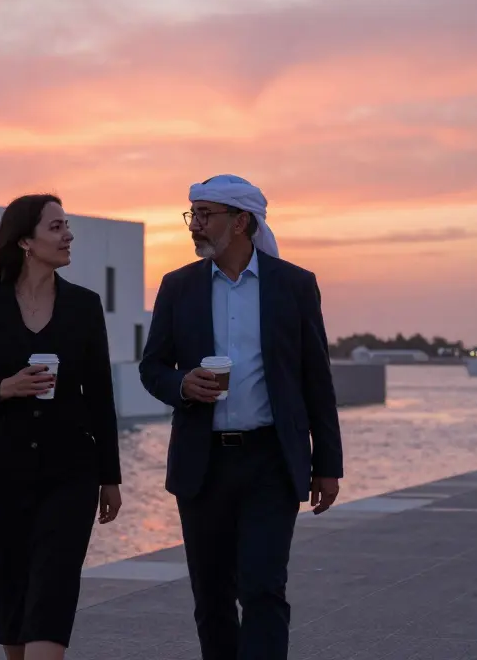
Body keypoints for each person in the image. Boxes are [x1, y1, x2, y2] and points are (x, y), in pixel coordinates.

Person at [139, 174, 344, 660]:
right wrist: (181, 384)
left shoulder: (294, 286)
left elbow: (316, 379)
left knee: (262, 588)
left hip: (271, 462)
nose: (195, 226)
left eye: (205, 215)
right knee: (211, 598)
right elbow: (151, 368)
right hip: (202, 464)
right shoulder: (177, 287)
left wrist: (327, 464)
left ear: (242, 222)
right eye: (193, 214)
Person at [0, 194, 123, 660]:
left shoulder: (84, 306)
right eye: (56, 227)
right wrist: (5, 388)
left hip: (71, 472)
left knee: (54, 586)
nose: (68, 235)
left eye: (67, 226)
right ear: (26, 240)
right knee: (8, 586)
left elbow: (101, 397)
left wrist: (110, 477)